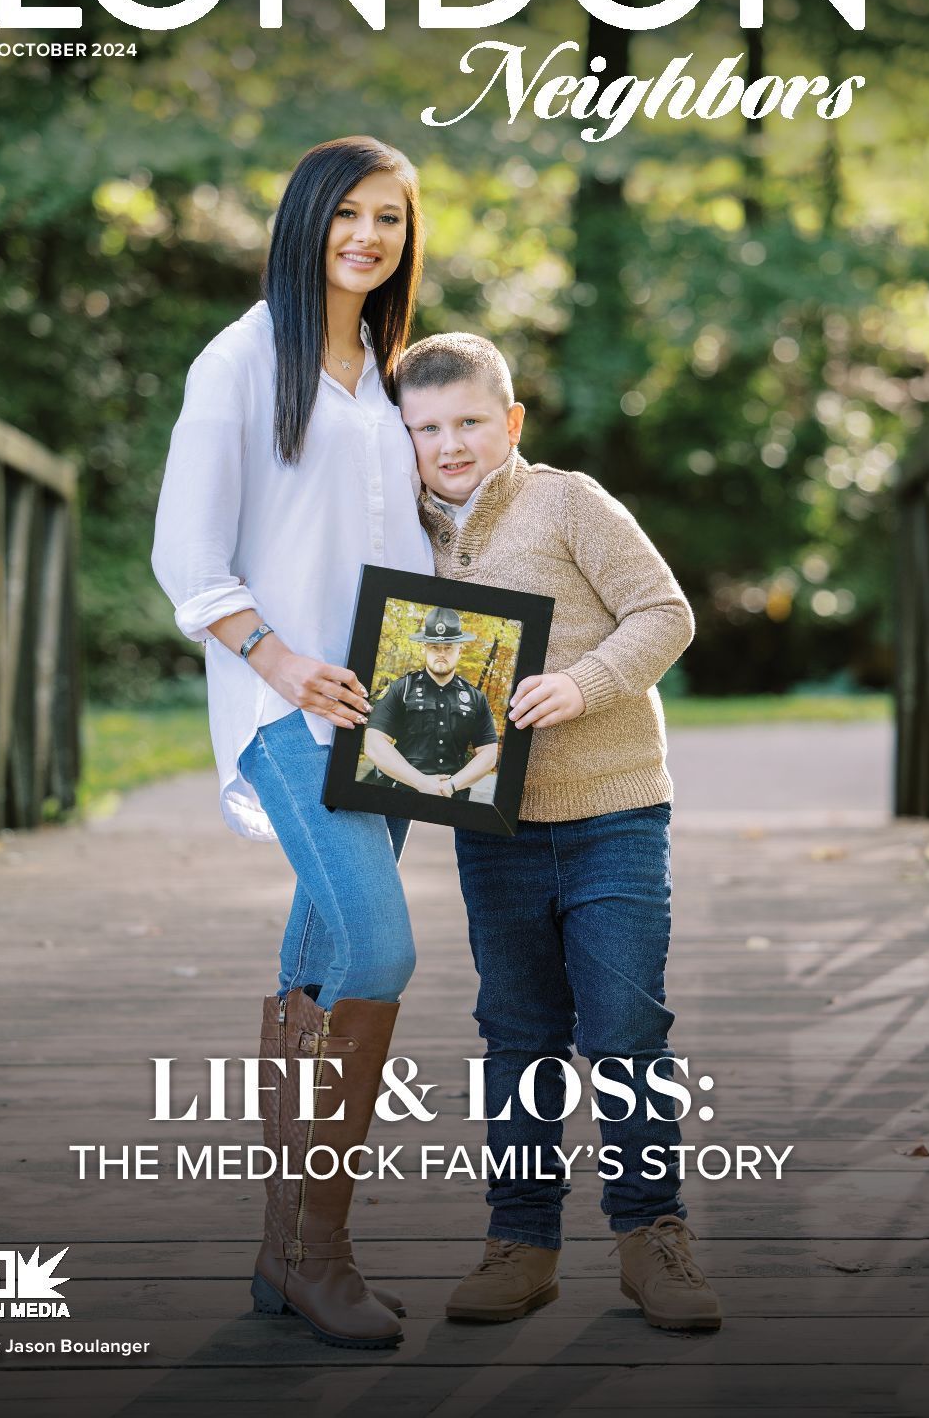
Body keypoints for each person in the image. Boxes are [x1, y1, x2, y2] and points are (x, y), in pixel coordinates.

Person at [151, 137, 432, 1351]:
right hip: (288, 710)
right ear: (305, 221)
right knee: (380, 944)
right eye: (347, 213)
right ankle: (323, 1252)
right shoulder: (239, 359)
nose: (366, 235)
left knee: (323, 958)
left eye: (389, 218)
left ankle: (285, 1253)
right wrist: (275, 659)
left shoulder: (391, 372)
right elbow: (184, 554)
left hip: (398, 721)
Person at [396, 331, 724, 1334]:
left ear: (510, 421)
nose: (450, 444)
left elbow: (663, 613)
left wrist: (584, 683)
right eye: (425, 428)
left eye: (468, 421)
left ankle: (651, 1234)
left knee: (624, 1025)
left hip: (612, 809)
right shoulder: (398, 528)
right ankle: (522, 1241)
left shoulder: (567, 501)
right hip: (491, 826)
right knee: (518, 1031)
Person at [364, 606, 498, 797]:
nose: (441, 653)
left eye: (448, 647)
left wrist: (450, 786)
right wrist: (422, 783)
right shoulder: (401, 689)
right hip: (399, 794)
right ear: (424, 648)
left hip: (453, 797)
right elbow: (373, 743)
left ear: (460, 651)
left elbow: (489, 754)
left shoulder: (476, 698)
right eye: (434, 647)